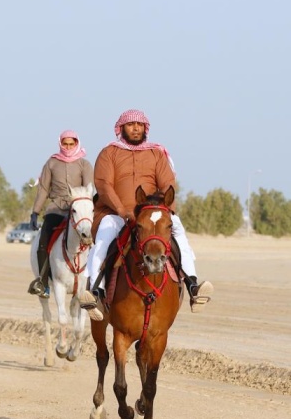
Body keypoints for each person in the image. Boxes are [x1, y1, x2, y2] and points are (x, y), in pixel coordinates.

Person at [79, 109, 213, 320]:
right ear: (121, 128)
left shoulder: (156, 154)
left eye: (139, 125)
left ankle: (193, 287)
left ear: (145, 128)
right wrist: (122, 210)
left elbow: (167, 183)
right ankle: (96, 292)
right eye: (131, 125)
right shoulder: (109, 152)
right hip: (115, 212)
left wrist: (163, 210)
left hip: (152, 212)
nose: (135, 128)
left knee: (180, 235)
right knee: (103, 240)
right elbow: (103, 184)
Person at [27, 130, 94, 298]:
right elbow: (43, 189)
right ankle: (42, 283)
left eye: (72, 144)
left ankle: (94, 285)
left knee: (94, 242)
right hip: (56, 209)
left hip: (78, 212)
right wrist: (35, 212)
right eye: (65, 143)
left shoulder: (84, 164)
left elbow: (88, 190)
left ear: (77, 143)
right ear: (60, 143)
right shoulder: (51, 163)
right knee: (43, 240)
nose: (68, 147)